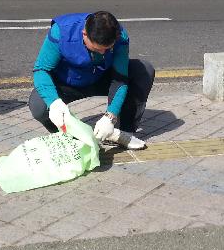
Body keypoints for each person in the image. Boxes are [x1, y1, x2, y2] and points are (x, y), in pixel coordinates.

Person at [28, 11, 154, 150]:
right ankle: (73, 138)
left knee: (143, 70)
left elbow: (120, 78)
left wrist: (110, 116)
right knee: (38, 106)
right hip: (67, 82)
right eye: (96, 49)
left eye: (107, 49)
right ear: (84, 34)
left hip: (101, 78)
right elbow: (41, 69)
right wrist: (54, 102)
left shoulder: (119, 36)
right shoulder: (61, 31)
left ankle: (121, 133)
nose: (102, 53)